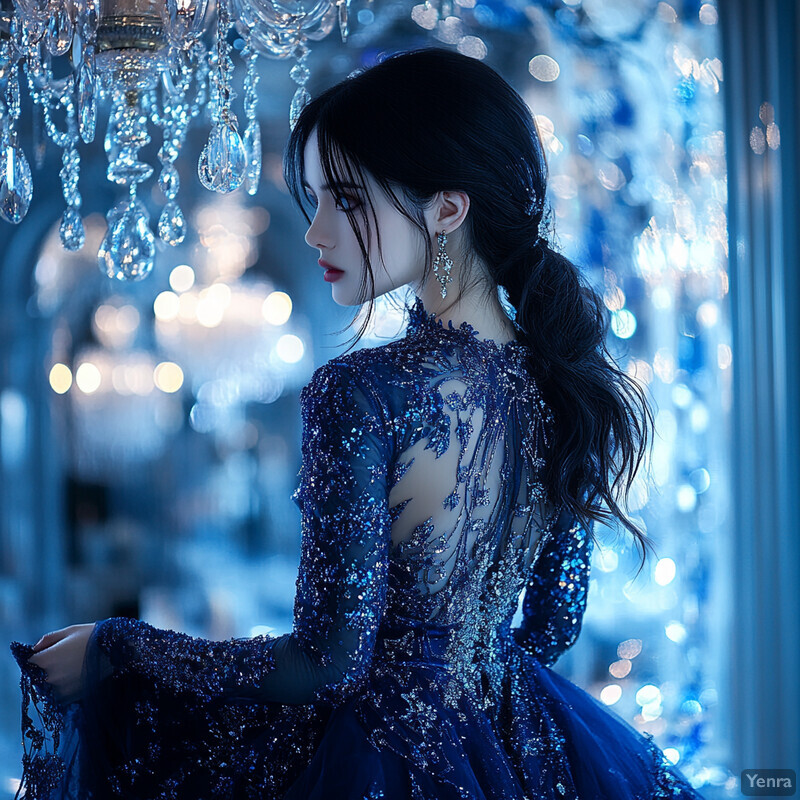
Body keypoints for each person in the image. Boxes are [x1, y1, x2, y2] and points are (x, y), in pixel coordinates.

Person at [10, 47, 705, 799]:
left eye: (346, 199)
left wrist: (120, 649)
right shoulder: (562, 382)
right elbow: (549, 629)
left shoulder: (363, 391)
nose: (316, 233)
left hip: (381, 757)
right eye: (314, 201)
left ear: (447, 208)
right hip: (529, 742)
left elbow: (327, 661)